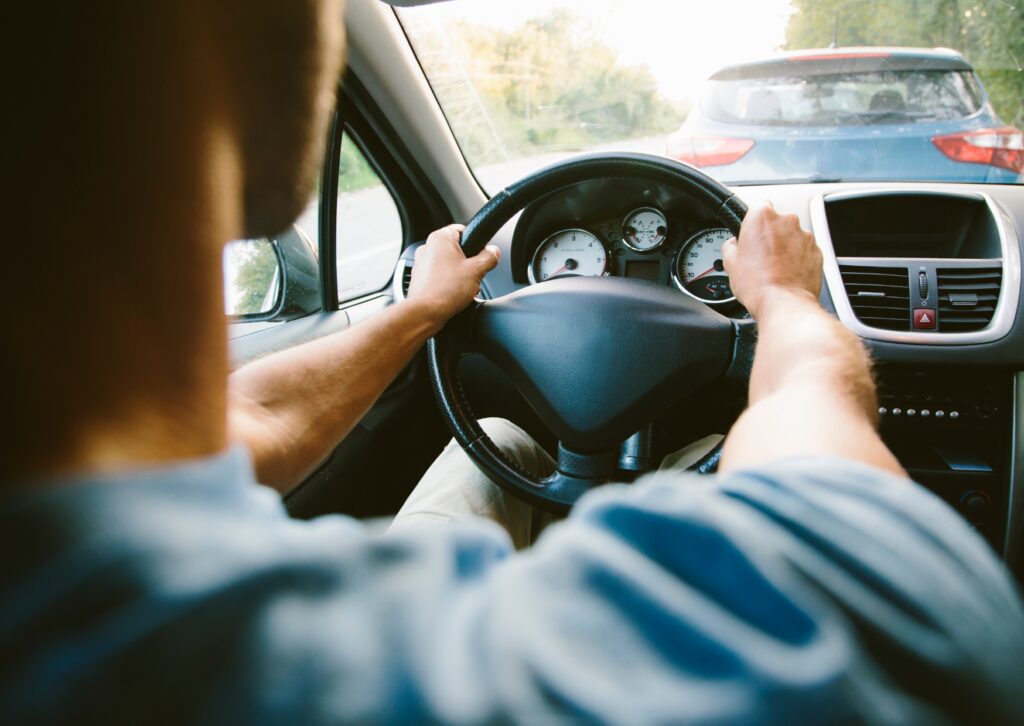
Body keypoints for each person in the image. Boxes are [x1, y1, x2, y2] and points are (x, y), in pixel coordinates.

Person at [1, 1, 1022, 723]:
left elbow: (251, 423)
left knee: (498, 437)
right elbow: (825, 449)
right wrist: (783, 303)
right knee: (670, 443)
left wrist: (420, 315)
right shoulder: (793, 643)